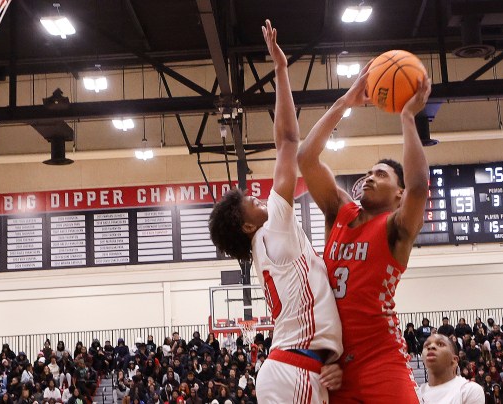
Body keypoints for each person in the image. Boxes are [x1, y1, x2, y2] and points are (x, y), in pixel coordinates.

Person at [208, 20, 343, 403]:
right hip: (295, 369)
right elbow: (287, 141)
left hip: (290, 367)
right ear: (249, 224)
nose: (260, 198)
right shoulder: (275, 231)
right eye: (252, 201)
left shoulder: (264, 244)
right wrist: (281, 70)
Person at [297, 55, 431, 403]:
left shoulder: (396, 228)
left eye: (381, 174)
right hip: (335, 366)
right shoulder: (340, 211)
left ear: (399, 195)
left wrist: (407, 117)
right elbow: (306, 158)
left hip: (381, 359)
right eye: (369, 172)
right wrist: (344, 103)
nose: (370, 177)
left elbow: (419, 186)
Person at [418, 334, 485, 403]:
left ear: (454, 360)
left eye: (440, 344)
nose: (431, 347)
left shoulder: (469, 390)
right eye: (426, 345)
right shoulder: (417, 393)